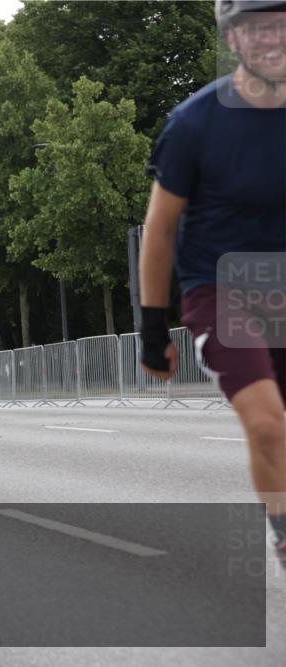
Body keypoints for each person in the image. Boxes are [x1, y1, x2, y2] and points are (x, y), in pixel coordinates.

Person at [139, 0, 286, 566]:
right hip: (222, 292)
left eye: (281, 25)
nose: (271, 40)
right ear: (232, 40)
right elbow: (160, 229)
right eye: (256, 29)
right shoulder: (196, 122)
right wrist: (153, 327)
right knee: (268, 424)